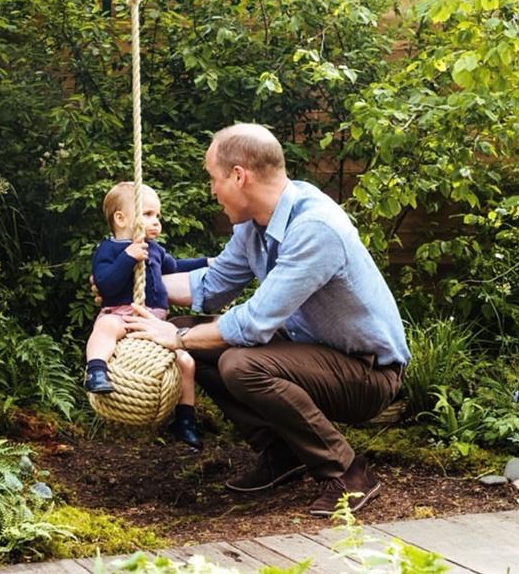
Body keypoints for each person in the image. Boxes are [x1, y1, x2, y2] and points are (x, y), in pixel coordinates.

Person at [121, 123, 411, 516]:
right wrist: (126, 285)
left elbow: (255, 322)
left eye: (214, 178)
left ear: (238, 175)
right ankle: (282, 452)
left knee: (238, 363)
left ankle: (348, 473)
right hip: (311, 356)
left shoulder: (315, 227)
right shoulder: (253, 225)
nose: (212, 190)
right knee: (194, 334)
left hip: (367, 374)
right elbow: (214, 284)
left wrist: (177, 339)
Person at [85, 181, 209, 449]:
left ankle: (185, 420)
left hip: (154, 324)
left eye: (158, 216)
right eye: (148, 214)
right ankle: (95, 370)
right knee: (105, 325)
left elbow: (174, 267)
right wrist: (128, 257)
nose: (156, 222)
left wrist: (207, 262)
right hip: (122, 316)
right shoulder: (108, 250)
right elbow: (105, 284)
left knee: (186, 362)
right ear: (121, 218)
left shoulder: (154, 249)